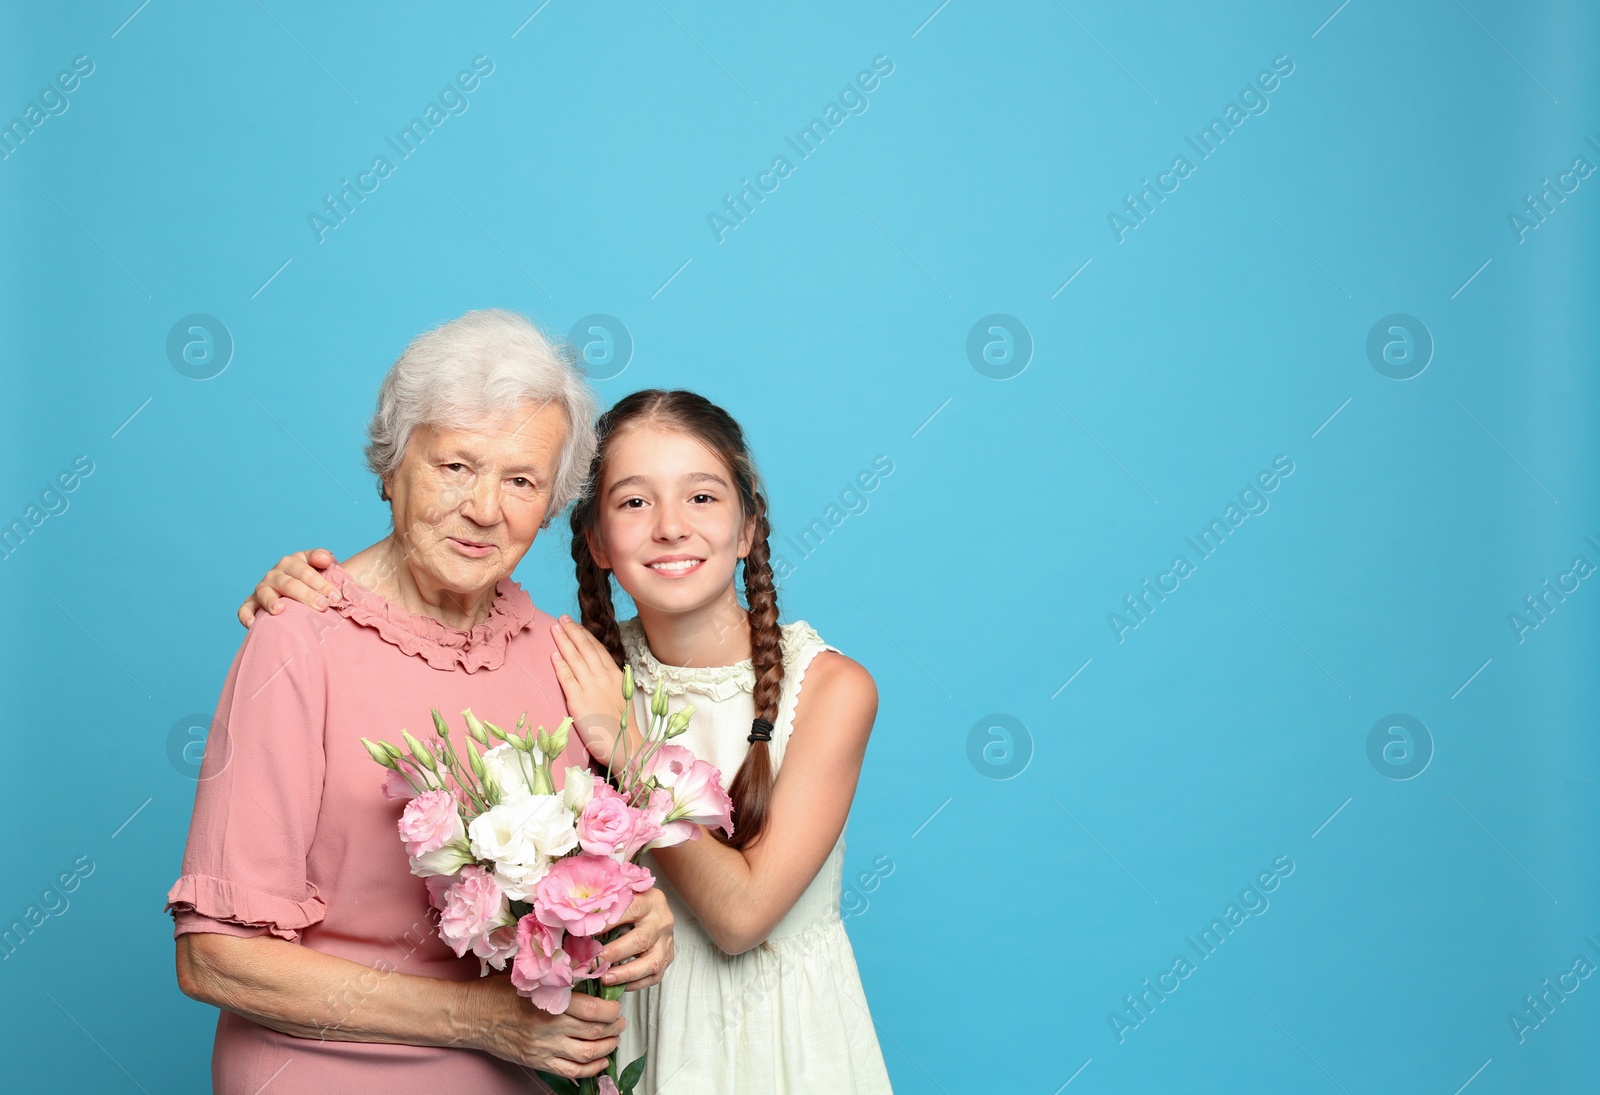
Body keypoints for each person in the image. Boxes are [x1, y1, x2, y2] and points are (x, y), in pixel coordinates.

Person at [241, 390, 895, 1093]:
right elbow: (435, 624)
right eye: (634, 503)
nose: (671, 526)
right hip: (624, 1035)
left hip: (778, 1044)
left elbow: (741, 918)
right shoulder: (565, 666)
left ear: (747, 528)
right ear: (596, 542)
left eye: (702, 497)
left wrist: (626, 744)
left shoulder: (829, 688)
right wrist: (316, 589)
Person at [167, 310, 676, 1094]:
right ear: (391, 467)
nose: (485, 508)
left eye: (521, 481)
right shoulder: (297, 639)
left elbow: (585, 887)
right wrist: (479, 1019)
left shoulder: (563, 656)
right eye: (456, 466)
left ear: (549, 507)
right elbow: (215, 958)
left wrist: (638, 917)